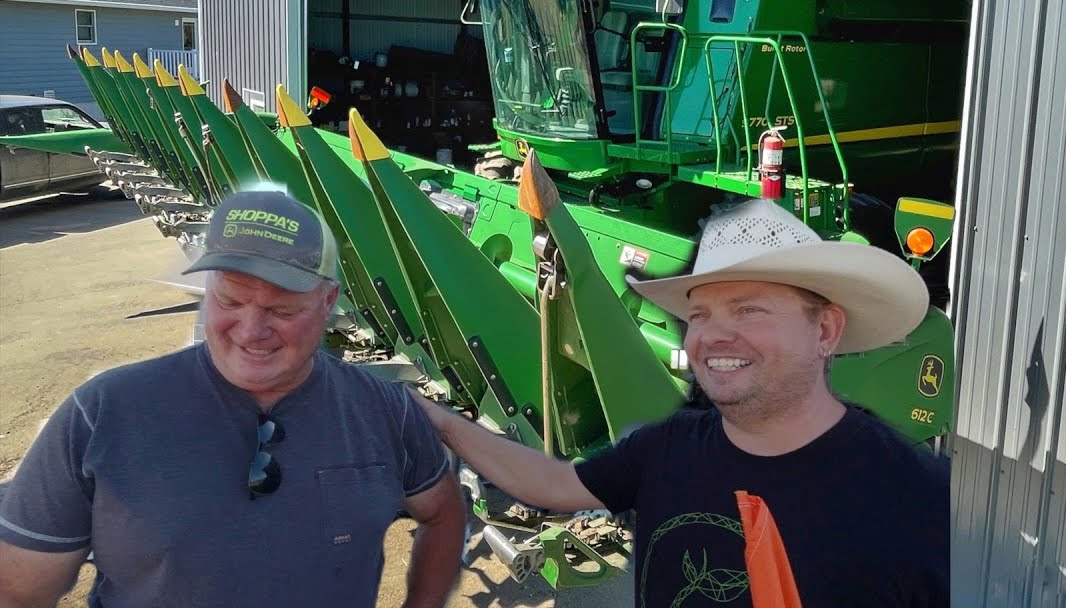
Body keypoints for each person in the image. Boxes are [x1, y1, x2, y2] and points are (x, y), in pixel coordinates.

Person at [415, 198, 949, 606]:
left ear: (825, 331)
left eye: (749, 310)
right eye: (699, 316)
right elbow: (554, 485)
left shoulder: (909, 495)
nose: (714, 337)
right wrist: (438, 421)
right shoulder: (668, 446)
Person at [0, 187, 465, 608]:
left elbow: (443, 514)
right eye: (230, 301)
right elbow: (20, 590)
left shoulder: (385, 410)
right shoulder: (102, 414)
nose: (251, 331)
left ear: (329, 302)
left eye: (281, 309)